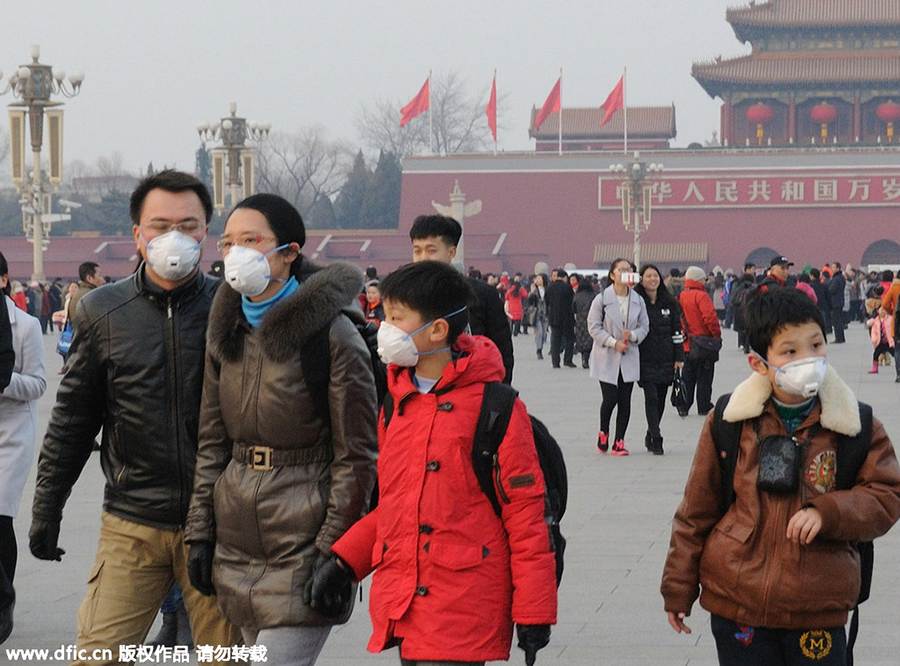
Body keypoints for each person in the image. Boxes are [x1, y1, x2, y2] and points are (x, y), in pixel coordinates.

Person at [29, 170, 241, 666]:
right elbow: (72, 422)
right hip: (132, 521)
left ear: (207, 232)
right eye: (160, 224)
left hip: (219, 523)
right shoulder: (103, 311)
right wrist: (46, 508)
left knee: (226, 658)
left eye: (188, 225)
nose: (175, 236)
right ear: (137, 235)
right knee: (98, 653)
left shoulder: (233, 308)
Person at [319, 260, 557, 665]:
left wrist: (534, 612)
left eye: (396, 318)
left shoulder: (495, 407)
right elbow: (396, 504)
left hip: (465, 600)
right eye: (384, 315)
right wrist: (345, 561)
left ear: (437, 330)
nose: (384, 326)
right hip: (405, 599)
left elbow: (527, 516)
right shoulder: (397, 400)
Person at [184, 193, 378, 666]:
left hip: (304, 535)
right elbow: (212, 443)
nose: (236, 253)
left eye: (251, 240)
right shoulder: (225, 330)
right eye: (228, 243)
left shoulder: (333, 336)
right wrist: (200, 533)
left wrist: (334, 551)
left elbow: (355, 455)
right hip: (238, 535)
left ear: (290, 252)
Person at [661, 286, 900, 666]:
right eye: (790, 351)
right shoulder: (729, 419)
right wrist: (678, 588)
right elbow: (696, 510)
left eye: (816, 345)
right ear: (759, 363)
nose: (808, 359)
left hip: (817, 605)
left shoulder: (854, 423)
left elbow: (887, 495)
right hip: (739, 602)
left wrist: (828, 512)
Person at [0, 251, 47, 644]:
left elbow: (37, 384)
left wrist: (3, 382)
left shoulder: (26, 325)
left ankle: (4, 601)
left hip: (11, 432)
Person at [409, 215, 513, 384]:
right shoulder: (406, 297)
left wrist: (497, 398)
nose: (423, 258)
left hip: (472, 389)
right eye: (417, 251)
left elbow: (503, 354)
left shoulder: (482, 295)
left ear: (451, 252)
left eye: (431, 250)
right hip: (422, 393)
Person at [587, 258, 650, 456]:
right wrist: (614, 343)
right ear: (613, 275)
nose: (624, 272)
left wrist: (632, 336)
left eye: (628, 269)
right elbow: (593, 327)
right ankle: (604, 430)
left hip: (629, 355)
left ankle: (619, 441)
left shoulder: (638, 300)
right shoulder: (602, 300)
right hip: (607, 355)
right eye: (620, 269)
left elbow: (645, 326)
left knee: (625, 400)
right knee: (610, 398)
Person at [634, 264, 684, 455]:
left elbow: (677, 332)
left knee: (661, 398)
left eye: (655, 276)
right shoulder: (637, 303)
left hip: (666, 357)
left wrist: (679, 357)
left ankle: (650, 432)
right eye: (648, 276)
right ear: (641, 279)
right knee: (651, 397)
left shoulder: (669, 303)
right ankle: (656, 436)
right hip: (644, 358)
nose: (652, 279)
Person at [679, 265, 722, 416]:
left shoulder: (682, 295)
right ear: (699, 279)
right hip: (704, 343)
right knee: (704, 377)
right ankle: (704, 405)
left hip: (688, 343)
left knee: (688, 375)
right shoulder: (701, 296)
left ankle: (684, 405)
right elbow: (710, 318)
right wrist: (716, 336)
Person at [546, 268, 577, 369]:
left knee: (555, 340)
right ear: (564, 277)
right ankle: (568, 360)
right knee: (570, 339)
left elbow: (546, 302)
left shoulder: (550, 287)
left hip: (554, 317)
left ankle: (555, 362)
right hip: (567, 317)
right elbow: (572, 302)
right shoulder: (567, 288)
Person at [66, 261, 104, 330]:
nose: (103, 280)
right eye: (100, 275)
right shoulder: (92, 295)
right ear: (89, 278)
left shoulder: (79, 294)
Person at [572, 275, 595, 369]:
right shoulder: (593, 295)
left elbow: (573, 308)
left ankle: (583, 358)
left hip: (580, 319)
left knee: (581, 339)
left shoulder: (577, 296)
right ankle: (587, 358)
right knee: (590, 339)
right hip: (591, 318)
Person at [866, 306, 894, 374]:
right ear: (877, 311)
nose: (883, 312)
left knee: (895, 354)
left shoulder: (890, 319)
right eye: (881, 310)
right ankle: (875, 368)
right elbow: (873, 331)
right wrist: (874, 339)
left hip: (888, 342)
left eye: (884, 310)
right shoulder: (876, 321)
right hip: (880, 342)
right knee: (876, 354)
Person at [528, 273, 550, 360]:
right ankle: (538, 350)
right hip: (536, 313)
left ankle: (541, 346)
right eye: (537, 279)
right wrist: (531, 293)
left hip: (545, 314)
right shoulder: (534, 290)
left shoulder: (547, 290)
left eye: (539, 278)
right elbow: (529, 302)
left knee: (544, 334)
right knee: (539, 332)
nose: (537, 280)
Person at [828, 262, 847, 343]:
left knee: (836, 321)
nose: (832, 269)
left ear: (838, 268)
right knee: (839, 320)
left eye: (834, 267)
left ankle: (838, 338)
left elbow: (832, 290)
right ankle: (841, 337)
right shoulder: (841, 277)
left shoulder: (836, 279)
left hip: (835, 301)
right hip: (840, 301)